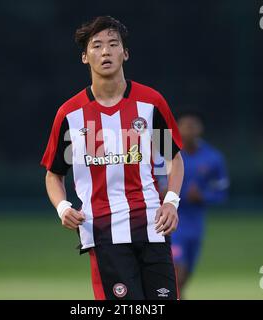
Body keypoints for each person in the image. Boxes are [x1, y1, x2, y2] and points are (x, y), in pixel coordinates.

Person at [40, 16, 184, 300]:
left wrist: (171, 202)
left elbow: (173, 158)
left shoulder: (150, 103)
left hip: (152, 227)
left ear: (125, 53)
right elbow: (54, 173)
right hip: (104, 232)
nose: (105, 51)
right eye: (96, 46)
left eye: (113, 44)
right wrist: (62, 207)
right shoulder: (70, 115)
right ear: (85, 57)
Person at [158, 110, 229, 299]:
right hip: (172, 223)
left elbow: (221, 193)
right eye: (185, 125)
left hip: (196, 226)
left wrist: (203, 196)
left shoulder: (213, 158)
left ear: (200, 128)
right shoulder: (166, 155)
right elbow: (150, 182)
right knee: (176, 272)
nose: (189, 130)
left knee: (183, 279)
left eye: (193, 125)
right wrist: (163, 193)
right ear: (177, 128)